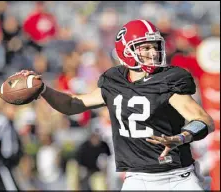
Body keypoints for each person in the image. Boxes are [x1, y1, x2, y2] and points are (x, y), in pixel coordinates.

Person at [13, 19, 214, 190]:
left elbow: (203, 120)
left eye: (155, 46)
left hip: (177, 177)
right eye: (145, 47)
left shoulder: (168, 80)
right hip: (137, 178)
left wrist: (182, 137)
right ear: (126, 50)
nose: (153, 53)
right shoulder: (114, 81)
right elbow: (73, 104)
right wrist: (44, 90)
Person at [0, 100, 23, 190]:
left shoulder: (10, 121)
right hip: (2, 163)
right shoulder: (0, 120)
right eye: (12, 108)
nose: (15, 111)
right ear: (5, 107)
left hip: (9, 163)